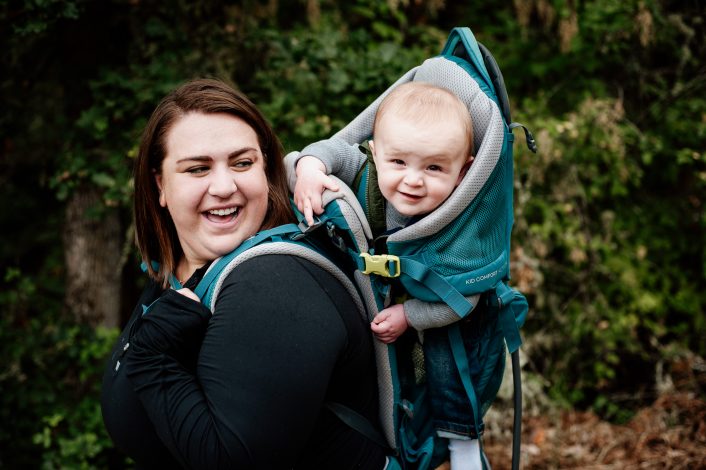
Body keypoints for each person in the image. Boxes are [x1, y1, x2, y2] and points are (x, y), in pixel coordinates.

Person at [100, 78, 387, 469]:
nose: (224, 186)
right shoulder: (176, 272)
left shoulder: (274, 283)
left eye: (242, 162)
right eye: (198, 168)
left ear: (265, 170)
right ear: (160, 185)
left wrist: (152, 357)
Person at [292, 82, 488, 470]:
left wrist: (409, 315)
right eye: (398, 163)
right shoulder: (365, 170)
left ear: (464, 171)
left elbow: (464, 298)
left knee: (449, 354)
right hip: (368, 298)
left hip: (434, 310)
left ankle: (462, 439)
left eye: (434, 167)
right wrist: (310, 167)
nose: (413, 180)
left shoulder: (460, 225)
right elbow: (330, 149)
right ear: (376, 152)